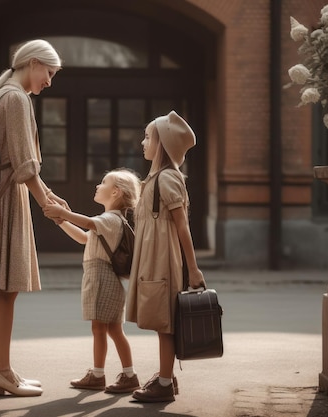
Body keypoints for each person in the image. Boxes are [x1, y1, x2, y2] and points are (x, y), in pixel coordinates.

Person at [0, 39, 68, 397]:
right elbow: (24, 164)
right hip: (8, 200)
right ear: (34, 63)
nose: (49, 82)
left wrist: (47, 192)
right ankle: (3, 372)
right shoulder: (17, 98)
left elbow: (17, 162)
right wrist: (46, 205)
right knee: (7, 289)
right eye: (49, 73)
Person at [126, 111, 207, 403]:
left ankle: (163, 383)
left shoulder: (168, 179)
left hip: (163, 258)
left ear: (161, 145)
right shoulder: (155, 179)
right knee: (161, 318)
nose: (143, 141)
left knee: (164, 322)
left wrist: (194, 269)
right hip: (152, 257)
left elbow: (182, 227)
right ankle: (165, 376)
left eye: (148, 137)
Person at [43, 168, 142, 394]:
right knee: (114, 330)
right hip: (109, 280)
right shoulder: (112, 222)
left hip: (101, 277)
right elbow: (84, 237)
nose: (98, 185)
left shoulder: (109, 219)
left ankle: (99, 374)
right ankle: (129, 374)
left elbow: (88, 224)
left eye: (103, 182)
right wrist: (61, 221)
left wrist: (64, 213)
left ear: (115, 192)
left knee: (99, 328)